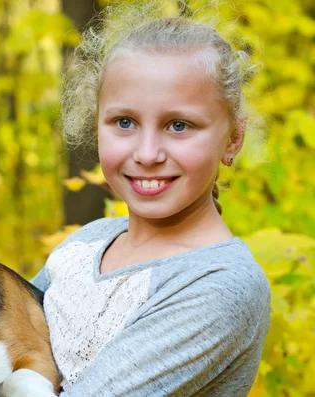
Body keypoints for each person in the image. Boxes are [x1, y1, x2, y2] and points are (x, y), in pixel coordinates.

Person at [31, 3, 271, 396]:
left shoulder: (222, 284)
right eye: (124, 122)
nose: (146, 153)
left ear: (233, 137)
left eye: (179, 125)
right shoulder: (86, 243)